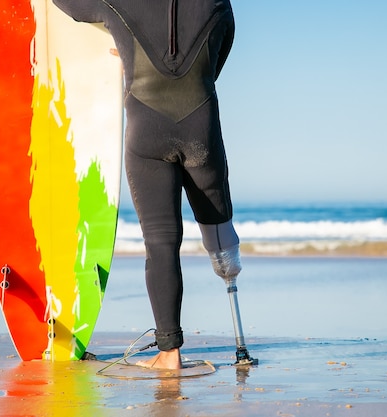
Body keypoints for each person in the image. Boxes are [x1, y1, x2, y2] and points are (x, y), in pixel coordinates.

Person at [53, 0, 242, 370]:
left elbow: (71, 6)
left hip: (147, 130)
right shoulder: (218, 3)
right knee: (218, 232)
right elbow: (220, 52)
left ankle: (169, 353)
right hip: (201, 127)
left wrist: (132, 54)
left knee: (160, 241)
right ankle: (237, 319)